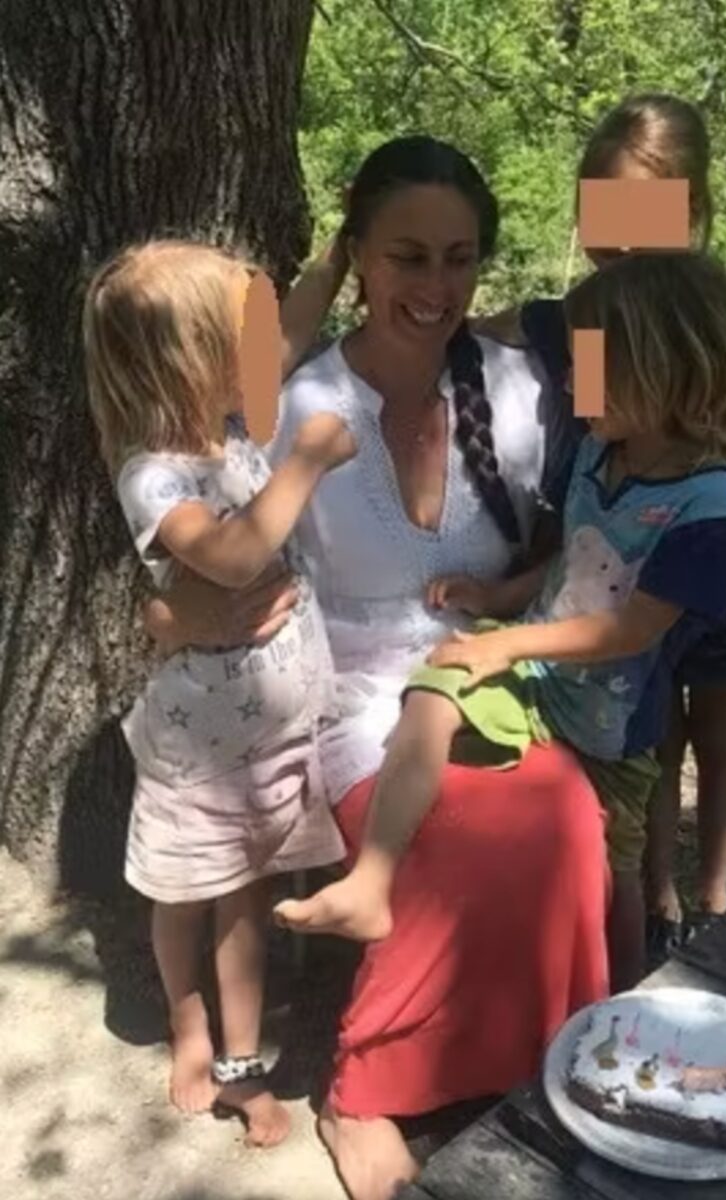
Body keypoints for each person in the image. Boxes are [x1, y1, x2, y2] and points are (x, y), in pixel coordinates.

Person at [143, 138, 610, 1200]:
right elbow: (195, 552)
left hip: (483, 663)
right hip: (342, 683)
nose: (436, 287)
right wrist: (172, 614)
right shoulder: (286, 399)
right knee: (450, 840)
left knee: (564, 819)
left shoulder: (521, 384)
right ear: (356, 254)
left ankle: (530, 1059)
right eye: (407, 256)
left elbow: (645, 399)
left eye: (458, 259)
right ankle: (365, 1088)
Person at [276, 249, 726, 993]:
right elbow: (574, 559)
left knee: (612, 872)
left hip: (613, 725)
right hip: (540, 674)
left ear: (662, 368)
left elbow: (634, 627)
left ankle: (623, 999)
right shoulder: (601, 450)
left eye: (589, 366)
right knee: (435, 685)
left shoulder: (708, 501)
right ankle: (372, 880)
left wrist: (510, 643)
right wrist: (498, 597)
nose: (566, 382)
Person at [476, 93, 726, 956]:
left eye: (643, 218)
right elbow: (602, 430)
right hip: (623, 557)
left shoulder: (708, 320)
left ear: (689, 211)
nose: (620, 243)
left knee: (719, 728)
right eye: (605, 216)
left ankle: (715, 895)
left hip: (717, 561)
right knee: (652, 733)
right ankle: (656, 893)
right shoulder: (588, 318)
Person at [83, 241, 355, 1146]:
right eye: (242, 341)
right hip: (201, 755)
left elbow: (293, 334)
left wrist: (338, 257)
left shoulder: (230, 424)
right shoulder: (154, 473)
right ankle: (186, 1016)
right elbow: (234, 558)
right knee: (185, 896)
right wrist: (306, 460)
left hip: (270, 744)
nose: (264, 356)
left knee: (247, 902)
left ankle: (241, 1065)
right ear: (189, 360)